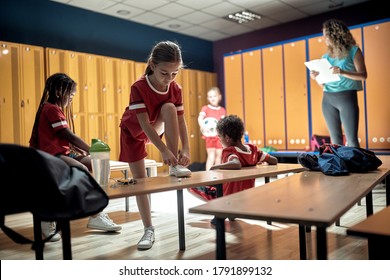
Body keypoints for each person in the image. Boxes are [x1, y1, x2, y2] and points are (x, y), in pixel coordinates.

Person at [29, 73, 122, 242]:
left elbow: (66, 139)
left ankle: (96, 213)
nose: (71, 99)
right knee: (81, 169)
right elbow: (69, 136)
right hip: (49, 155)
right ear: (59, 92)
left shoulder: (54, 108)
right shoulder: (50, 109)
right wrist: (92, 149)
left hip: (62, 153)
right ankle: (49, 217)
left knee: (95, 163)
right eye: (70, 95)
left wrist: (86, 153)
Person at [119, 40, 191, 250]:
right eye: (164, 73)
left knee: (169, 107)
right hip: (133, 132)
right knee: (141, 182)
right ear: (152, 64)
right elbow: (143, 124)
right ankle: (148, 229)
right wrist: (164, 150)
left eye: (175, 73)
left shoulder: (175, 88)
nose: (169, 79)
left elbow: (180, 120)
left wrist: (184, 148)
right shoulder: (139, 87)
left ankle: (174, 165)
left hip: (156, 124)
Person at [191, 115, 278, 224]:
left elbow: (236, 163)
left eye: (219, 137)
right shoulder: (253, 149)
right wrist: (259, 162)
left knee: (191, 186)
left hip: (227, 197)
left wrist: (215, 166)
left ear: (227, 138)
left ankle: (219, 212)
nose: (219, 140)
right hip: (244, 197)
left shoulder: (230, 151)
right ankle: (230, 213)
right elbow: (274, 160)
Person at [310, 19, 367, 147]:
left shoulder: (354, 51)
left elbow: (363, 75)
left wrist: (342, 72)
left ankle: (355, 166)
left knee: (351, 139)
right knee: (335, 141)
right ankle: (339, 167)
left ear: (335, 34)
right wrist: (317, 77)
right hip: (328, 99)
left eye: (326, 35)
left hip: (347, 97)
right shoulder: (325, 57)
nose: (324, 38)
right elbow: (324, 85)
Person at [198, 87, 226, 171]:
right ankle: (208, 175)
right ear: (207, 98)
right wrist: (203, 126)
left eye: (214, 96)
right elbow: (200, 118)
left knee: (219, 156)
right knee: (211, 156)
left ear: (219, 97)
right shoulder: (205, 108)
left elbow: (223, 123)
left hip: (219, 137)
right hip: (210, 137)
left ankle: (218, 177)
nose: (212, 98)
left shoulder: (222, 110)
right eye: (210, 97)